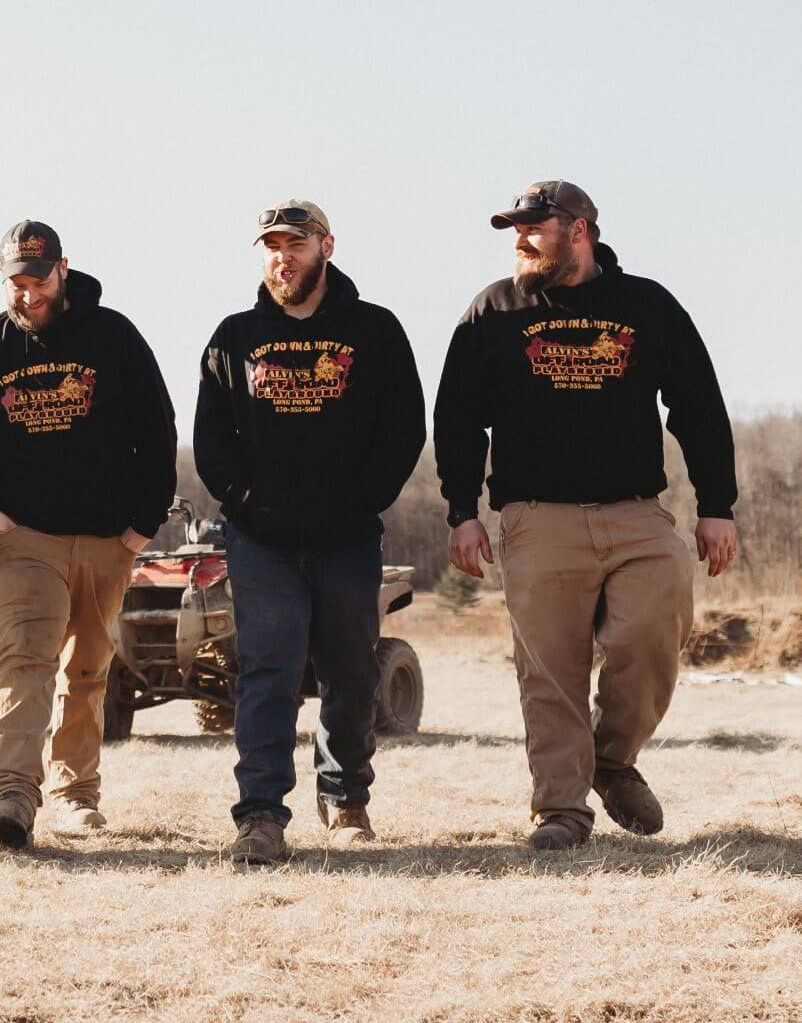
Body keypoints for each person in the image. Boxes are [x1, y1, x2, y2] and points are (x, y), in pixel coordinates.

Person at [435, 181, 739, 850]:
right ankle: (561, 810)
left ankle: (612, 760)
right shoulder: (493, 310)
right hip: (537, 518)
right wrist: (462, 510)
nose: (518, 239)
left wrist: (717, 505)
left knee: (653, 638)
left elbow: (699, 407)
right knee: (549, 669)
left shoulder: (646, 305)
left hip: (636, 513)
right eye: (514, 229)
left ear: (579, 231)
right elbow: (456, 419)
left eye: (532, 227)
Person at [194, 199, 425, 869]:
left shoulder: (374, 331)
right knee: (269, 670)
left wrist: (361, 501)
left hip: (347, 538)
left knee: (351, 668)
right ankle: (261, 817)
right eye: (270, 245)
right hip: (261, 541)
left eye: (295, 244)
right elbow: (212, 438)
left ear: (327, 246)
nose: (281, 256)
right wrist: (245, 503)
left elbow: (403, 427)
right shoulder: (234, 337)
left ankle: (347, 797)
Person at [0, 220, 177, 848]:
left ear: (62, 269)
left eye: (37, 280)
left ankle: (76, 796)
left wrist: (141, 525)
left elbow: (157, 427)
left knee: (89, 670)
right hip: (25, 538)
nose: (26, 295)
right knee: (25, 660)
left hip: (106, 541)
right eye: (15, 283)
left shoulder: (113, 335)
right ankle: (13, 794)